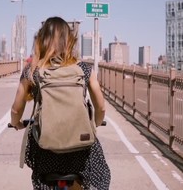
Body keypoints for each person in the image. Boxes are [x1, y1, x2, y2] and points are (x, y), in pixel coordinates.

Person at [10, 16, 111, 189]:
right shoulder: (84, 69)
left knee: (41, 174)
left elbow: (15, 109)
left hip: (46, 150)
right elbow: (101, 107)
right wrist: (95, 124)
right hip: (80, 150)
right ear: (69, 41)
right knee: (98, 173)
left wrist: (16, 123)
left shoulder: (32, 71)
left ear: (42, 40)